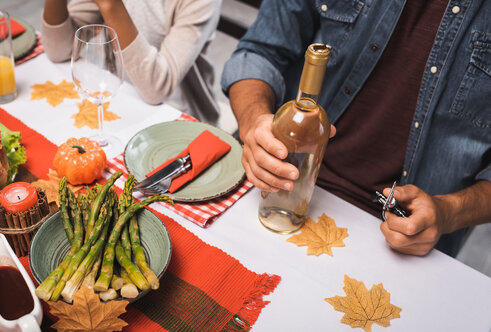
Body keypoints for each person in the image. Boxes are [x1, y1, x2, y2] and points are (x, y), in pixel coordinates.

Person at [221, 0, 491, 257]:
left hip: (399, 233)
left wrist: (449, 212)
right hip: (276, 189)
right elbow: (260, 51)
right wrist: (253, 120)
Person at [41, 0, 221, 126]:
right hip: (120, 104)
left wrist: (110, 4)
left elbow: (156, 89)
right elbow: (59, 50)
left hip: (182, 119)